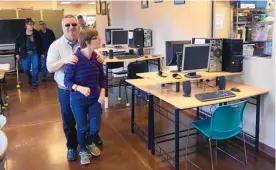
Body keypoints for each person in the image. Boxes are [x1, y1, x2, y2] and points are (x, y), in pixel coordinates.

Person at [46, 14, 105, 162]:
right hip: (67, 90)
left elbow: (94, 58)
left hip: (90, 91)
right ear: (63, 28)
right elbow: (49, 68)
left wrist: (100, 57)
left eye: (74, 24)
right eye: (67, 25)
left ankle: (88, 142)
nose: (71, 27)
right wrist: (65, 60)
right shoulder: (56, 46)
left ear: (78, 26)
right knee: (69, 120)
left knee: (91, 119)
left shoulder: (84, 42)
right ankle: (72, 147)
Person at [64, 28, 105, 165]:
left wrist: (103, 92)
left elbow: (103, 78)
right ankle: (82, 149)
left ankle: (88, 143)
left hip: (95, 98)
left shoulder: (97, 58)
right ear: (88, 42)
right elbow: (67, 81)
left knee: (95, 127)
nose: (100, 40)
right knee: (82, 127)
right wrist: (79, 88)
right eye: (96, 38)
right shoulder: (75, 59)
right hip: (78, 100)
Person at [15, 18, 43, 89]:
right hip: (25, 54)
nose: (32, 26)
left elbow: (40, 43)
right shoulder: (21, 33)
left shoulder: (36, 33)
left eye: (33, 25)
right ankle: (30, 77)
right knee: (25, 69)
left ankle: (34, 83)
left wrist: (42, 53)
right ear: (26, 25)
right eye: (30, 25)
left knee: (35, 69)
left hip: (35, 53)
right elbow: (17, 44)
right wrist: (17, 53)